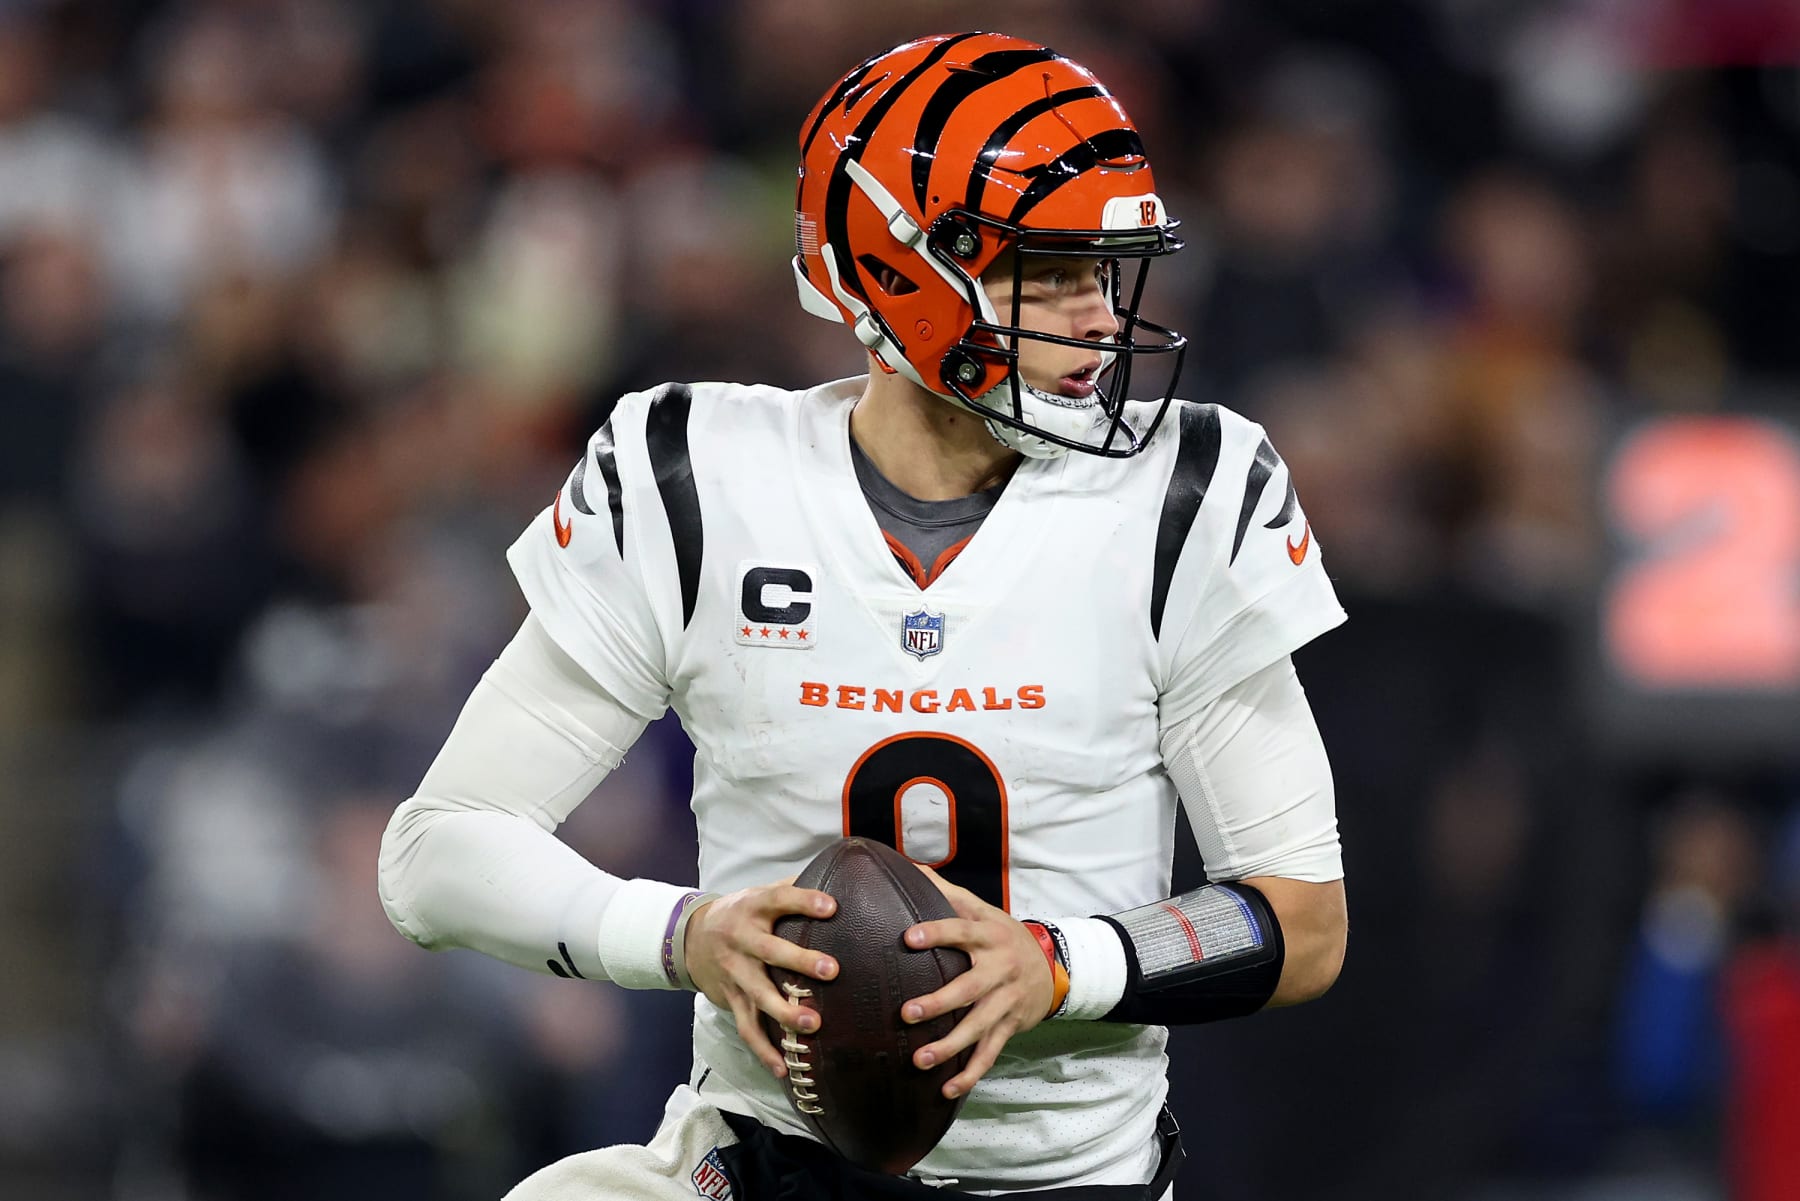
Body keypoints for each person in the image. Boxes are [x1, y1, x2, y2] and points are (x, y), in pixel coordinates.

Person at [379, 30, 1349, 1200]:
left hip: (1066, 1181)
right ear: (899, 272)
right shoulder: (701, 478)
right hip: (765, 1163)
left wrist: (1060, 965)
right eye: (1048, 272)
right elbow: (437, 852)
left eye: (1104, 273)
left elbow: (1303, 919)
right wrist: (684, 934)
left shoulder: (1184, 496)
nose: (1099, 319)